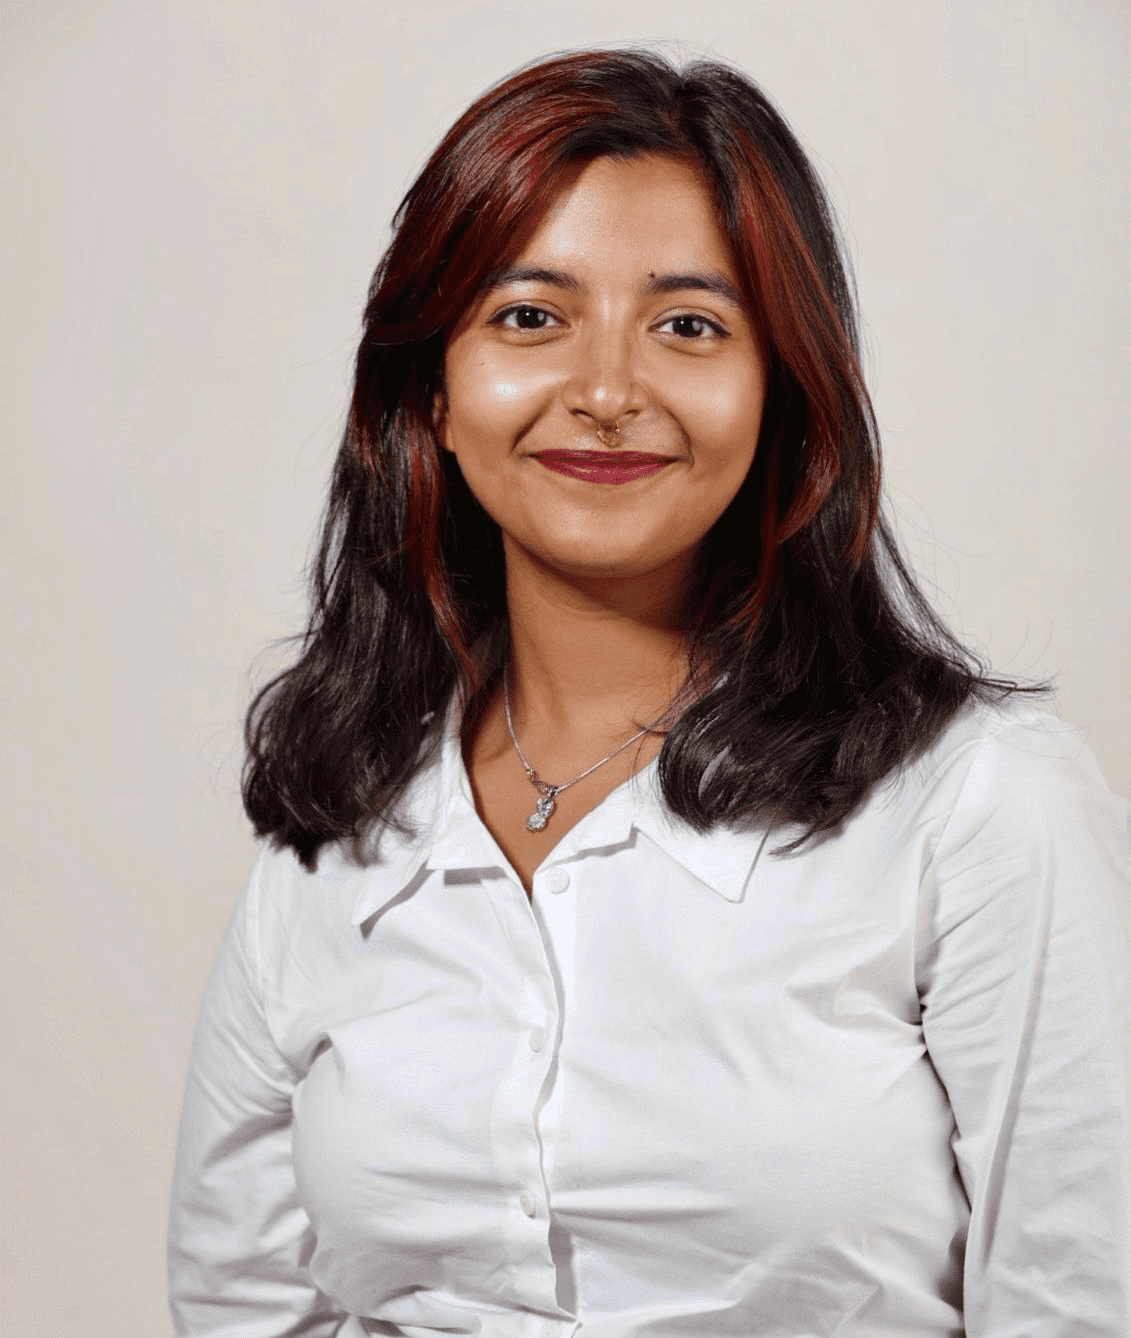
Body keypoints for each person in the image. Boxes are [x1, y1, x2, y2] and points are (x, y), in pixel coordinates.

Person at [167, 48, 1131, 1337]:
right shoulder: (343, 819)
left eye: (689, 326)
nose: (608, 394)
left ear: (782, 391)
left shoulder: (981, 803)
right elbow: (241, 1302)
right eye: (528, 317)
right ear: (432, 394)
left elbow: (1081, 1298)